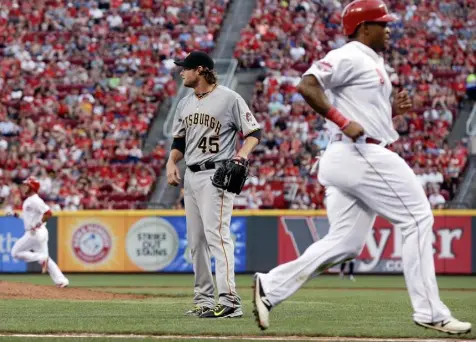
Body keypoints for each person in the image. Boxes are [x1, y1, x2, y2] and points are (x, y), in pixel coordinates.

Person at [252, 0, 471, 334]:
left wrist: (390, 113)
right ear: (363, 27)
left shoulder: (372, 62)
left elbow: (364, 115)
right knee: (417, 217)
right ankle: (430, 311)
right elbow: (307, 84)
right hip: (358, 153)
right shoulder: (349, 54)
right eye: (382, 24)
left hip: (350, 155)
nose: (388, 29)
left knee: (346, 243)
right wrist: (342, 119)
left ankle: (270, 285)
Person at [167, 51, 261, 318]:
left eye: (185, 68)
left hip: (216, 174)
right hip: (191, 175)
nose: (181, 72)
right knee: (196, 242)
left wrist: (242, 153)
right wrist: (171, 162)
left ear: (200, 70)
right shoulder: (184, 104)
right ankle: (205, 301)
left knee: (217, 237)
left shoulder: (229, 97)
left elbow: (254, 132)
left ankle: (230, 300)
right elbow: (179, 142)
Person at [7, 177, 69, 288]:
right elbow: (29, 218)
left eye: (26, 185)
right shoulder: (30, 200)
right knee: (46, 258)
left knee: (15, 253)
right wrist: (16, 215)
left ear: (32, 187)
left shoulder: (35, 200)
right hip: (40, 233)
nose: (24, 187)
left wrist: (38, 223)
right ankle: (61, 280)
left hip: (34, 234)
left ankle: (41, 258)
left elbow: (48, 213)